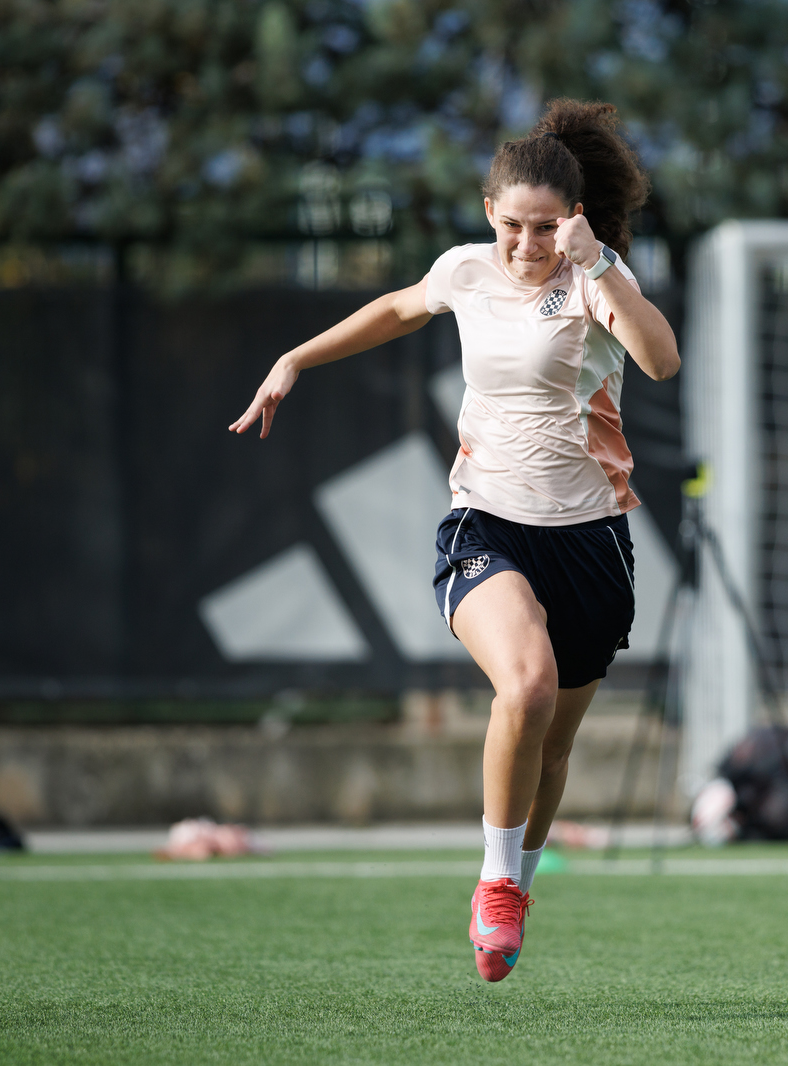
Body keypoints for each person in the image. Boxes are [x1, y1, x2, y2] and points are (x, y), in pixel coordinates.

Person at [229, 99, 679, 983]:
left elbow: (661, 360)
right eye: (512, 224)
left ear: (575, 219)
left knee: (552, 744)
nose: (526, 244)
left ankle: (522, 876)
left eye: (545, 227)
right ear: (489, 215)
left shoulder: (597, 274)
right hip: (486, 521)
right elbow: (399, 308)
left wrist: (603, 268)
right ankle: (496, 883)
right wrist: (293, 360)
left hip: (591, 538)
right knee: (527, 682)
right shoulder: (467, 271)